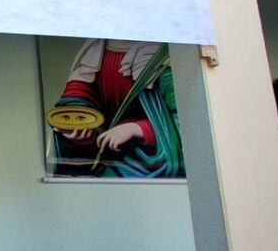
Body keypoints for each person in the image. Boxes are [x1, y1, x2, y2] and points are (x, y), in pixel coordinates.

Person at [46, 39, 184, 178]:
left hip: (147, 160)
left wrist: (138, 129)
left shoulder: (160, 57)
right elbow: (80, 92)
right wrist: (79, 125)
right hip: (105, 153)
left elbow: (185, 121)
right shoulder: (96, 49)